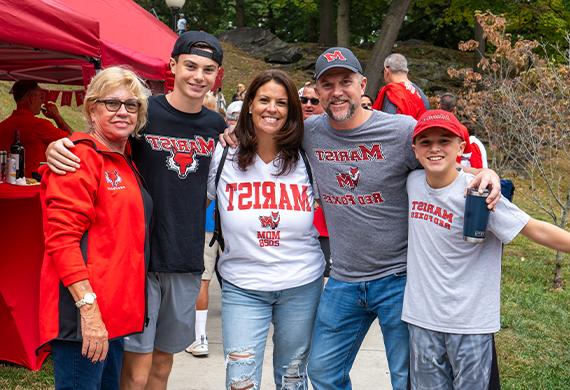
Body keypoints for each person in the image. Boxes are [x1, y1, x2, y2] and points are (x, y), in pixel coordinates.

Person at [220, 47, 501, 389]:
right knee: (322, 372)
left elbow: (442, 164)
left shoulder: (401, 131)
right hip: (344, 279)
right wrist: (233, 134)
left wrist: (485, 172)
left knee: (406, 377)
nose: (337, 91)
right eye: (327, 84)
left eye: (346, 81)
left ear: (363, 84)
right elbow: (267, 133)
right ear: (318, 91)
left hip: (400, 278)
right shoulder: (309, 134)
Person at [45, 31, 227, 389]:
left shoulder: (217, 128)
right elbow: (96, 147)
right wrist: (56, 148)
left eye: (208, 69)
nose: (198, 76)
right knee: (133, 370)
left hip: (185, 258)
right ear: (172, 66)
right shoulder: (146, 114)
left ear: (217, 75)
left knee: (161, 368)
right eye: (190, 65)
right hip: (137, 266)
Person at [405, 109, 570, 389]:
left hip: (470, 324)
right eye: (425, 142)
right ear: (415, 150)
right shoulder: (411, 183)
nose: (434, 148)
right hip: (421, 320)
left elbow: (534, 228)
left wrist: (484, 173)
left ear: (461, 146)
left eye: (444, 141)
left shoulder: (480, 193)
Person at [38, 66, 152, 390]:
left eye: (132, 105)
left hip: (112, 318)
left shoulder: (125, 157)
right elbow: (62, 241)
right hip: (85, 317)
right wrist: (88, 312)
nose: (123, 112)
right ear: (91, 108)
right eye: (111, 103)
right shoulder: (81, 157)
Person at [210, 69, 324, 389]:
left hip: (301, 285)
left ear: (291, 112)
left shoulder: (307, 156)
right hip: (242, 286)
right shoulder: (224, 155)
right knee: (240, 382)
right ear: (249, 105)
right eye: (264, 100)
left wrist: (468, 172)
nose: (272, 108)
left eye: (281, 102)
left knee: (292, 380)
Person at [185, 96, 241, 358]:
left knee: (203, 280)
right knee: (233, 281)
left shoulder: (216, 144)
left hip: (209, 221)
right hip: (234, 225)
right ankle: (238, 339)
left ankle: (200, 338)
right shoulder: (254, 146)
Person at [0, 80, 73, 177]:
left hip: (6, 183)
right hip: (33, 185)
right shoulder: (39, 125)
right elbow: (73, 140)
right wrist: (57, 116)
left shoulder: (3, 125)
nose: (43, 101)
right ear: (31, 98)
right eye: (41, 97)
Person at [372, 53, 429, 119]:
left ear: (386, 71)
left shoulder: (391, 92)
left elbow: (388, 124)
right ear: (406, 71)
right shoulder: (421, 95)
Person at [439, 92, 488, 168]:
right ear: (455, 109)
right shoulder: (462, 130)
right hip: (453, 174)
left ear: (439, 106)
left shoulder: (428, 126)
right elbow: (470, 160)